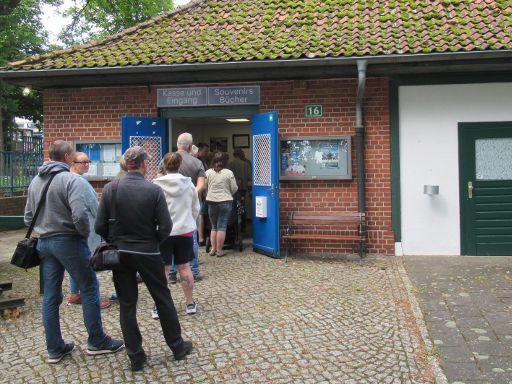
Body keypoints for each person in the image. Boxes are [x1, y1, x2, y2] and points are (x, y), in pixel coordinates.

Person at [24, 140, 124, 364]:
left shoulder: (35, 182)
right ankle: (96, 341)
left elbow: (28, 217)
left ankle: (54, 348)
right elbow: (80, 215)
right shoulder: (72, 180)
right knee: (89, 287)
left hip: (43, 242)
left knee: (51, 296)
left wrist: (42, 229)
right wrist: (82, 233)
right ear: (68, 156)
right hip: (68, 240)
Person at [95, 146, 192, 371]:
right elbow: (166, 226)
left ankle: (136, 356)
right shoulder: (153, 190)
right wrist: (153, 241)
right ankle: (177, 347)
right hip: (148, 251)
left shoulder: (111, 189)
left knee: (127, 304)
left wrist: (114, 239)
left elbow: (99, 226)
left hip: (120, 253)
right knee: (162, 298)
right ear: (144, 164)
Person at [153, 152, 200, 317]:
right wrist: (188, 220)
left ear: (164, 166)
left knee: (163, 270)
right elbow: (196, 208)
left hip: (162, 232)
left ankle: (159, 306)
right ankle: (189, 303)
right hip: (185, 231)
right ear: (179, 166)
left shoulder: (155, 185)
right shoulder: (189, 184)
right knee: (185, 267)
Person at [67, 152, 110, 309]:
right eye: (83, 162)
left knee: (75, 262)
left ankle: (74, 293)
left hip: (71, 228)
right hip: (87, 227)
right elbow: (95, 208)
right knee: (88, 262)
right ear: (73, 162)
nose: (86, 164)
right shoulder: (82, 182)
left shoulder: (66, 179)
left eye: (88, 161)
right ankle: (94, 298)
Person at [169, 132, 206, 283]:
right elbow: (201, 186)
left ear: (177, 145)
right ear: (190, 147)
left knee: (170, 236)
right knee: (191, 237)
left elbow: (159, 179)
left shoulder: (167, 160)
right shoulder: (197, 163)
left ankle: (171, 273)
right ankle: (194, 270)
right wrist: (188, 194)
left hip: (170, 204)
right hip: (191, 205)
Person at [205, 152, 238, 257]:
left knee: (214, 227)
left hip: (211, 201)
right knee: (222, 226)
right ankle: (219, 250)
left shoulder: (208, 172)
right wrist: (228, 193)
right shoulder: (229, 172)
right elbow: (234, 188)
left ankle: (212, 249)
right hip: (225, 201)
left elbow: (205, 187)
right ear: (225, 161)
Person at [228, 148, 251, 233]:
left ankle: (234, 226)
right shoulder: (245, 164)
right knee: (242, 206)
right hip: (242, 189)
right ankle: (243, 226)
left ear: (234, 154)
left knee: (233, 207)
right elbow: (249, 177)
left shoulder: (230, 164)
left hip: (232, 189)